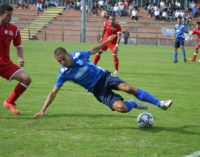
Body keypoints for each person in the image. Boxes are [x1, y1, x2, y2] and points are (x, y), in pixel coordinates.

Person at [33, 34, 173, 118]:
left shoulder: (78, 55)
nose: (62, 63)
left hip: (104, 77)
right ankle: (133, 104)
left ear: (68, 54)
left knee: (127, 88)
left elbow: (92, 50)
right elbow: (53, 92)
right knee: (121, 108)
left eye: (63, 59)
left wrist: (106, 42)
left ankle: (160, 103)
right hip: (97, 90)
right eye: (59, 61)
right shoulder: (63, 73)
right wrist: (42, 110)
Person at [0, 4, 32, 115]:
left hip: (5, 63)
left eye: (11, 15)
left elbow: (18, 46)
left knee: (26, 79)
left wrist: (20, 58)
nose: (10, 18)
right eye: (7, 15)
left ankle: (10, 102)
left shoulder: (14, 29)